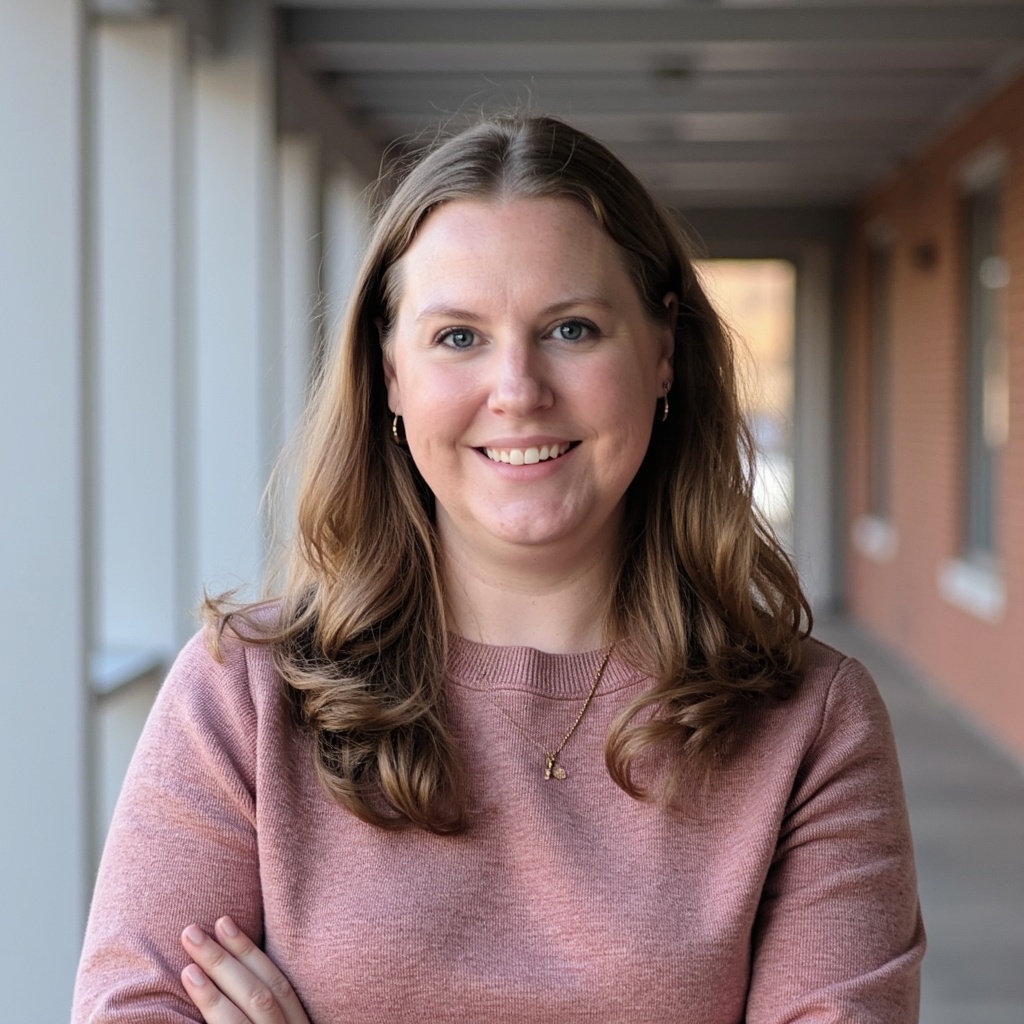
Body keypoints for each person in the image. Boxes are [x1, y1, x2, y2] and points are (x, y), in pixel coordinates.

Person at [72, 113, 925, 1024]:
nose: (517, 389)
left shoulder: (810, 726)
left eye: (572, 328)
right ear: (390, 374)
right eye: (457, 337)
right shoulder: (243, 698)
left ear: (662, 352)